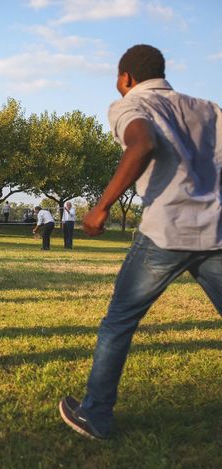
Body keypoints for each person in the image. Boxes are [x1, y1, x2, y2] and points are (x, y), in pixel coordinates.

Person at [59, 44, 222, 440]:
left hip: (166, 231)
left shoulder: (131, 104)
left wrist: (100, 208)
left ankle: (95, 414)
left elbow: (142, 142)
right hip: (216, 230)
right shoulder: (209, 109)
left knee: (119, 322)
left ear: (126, 78)